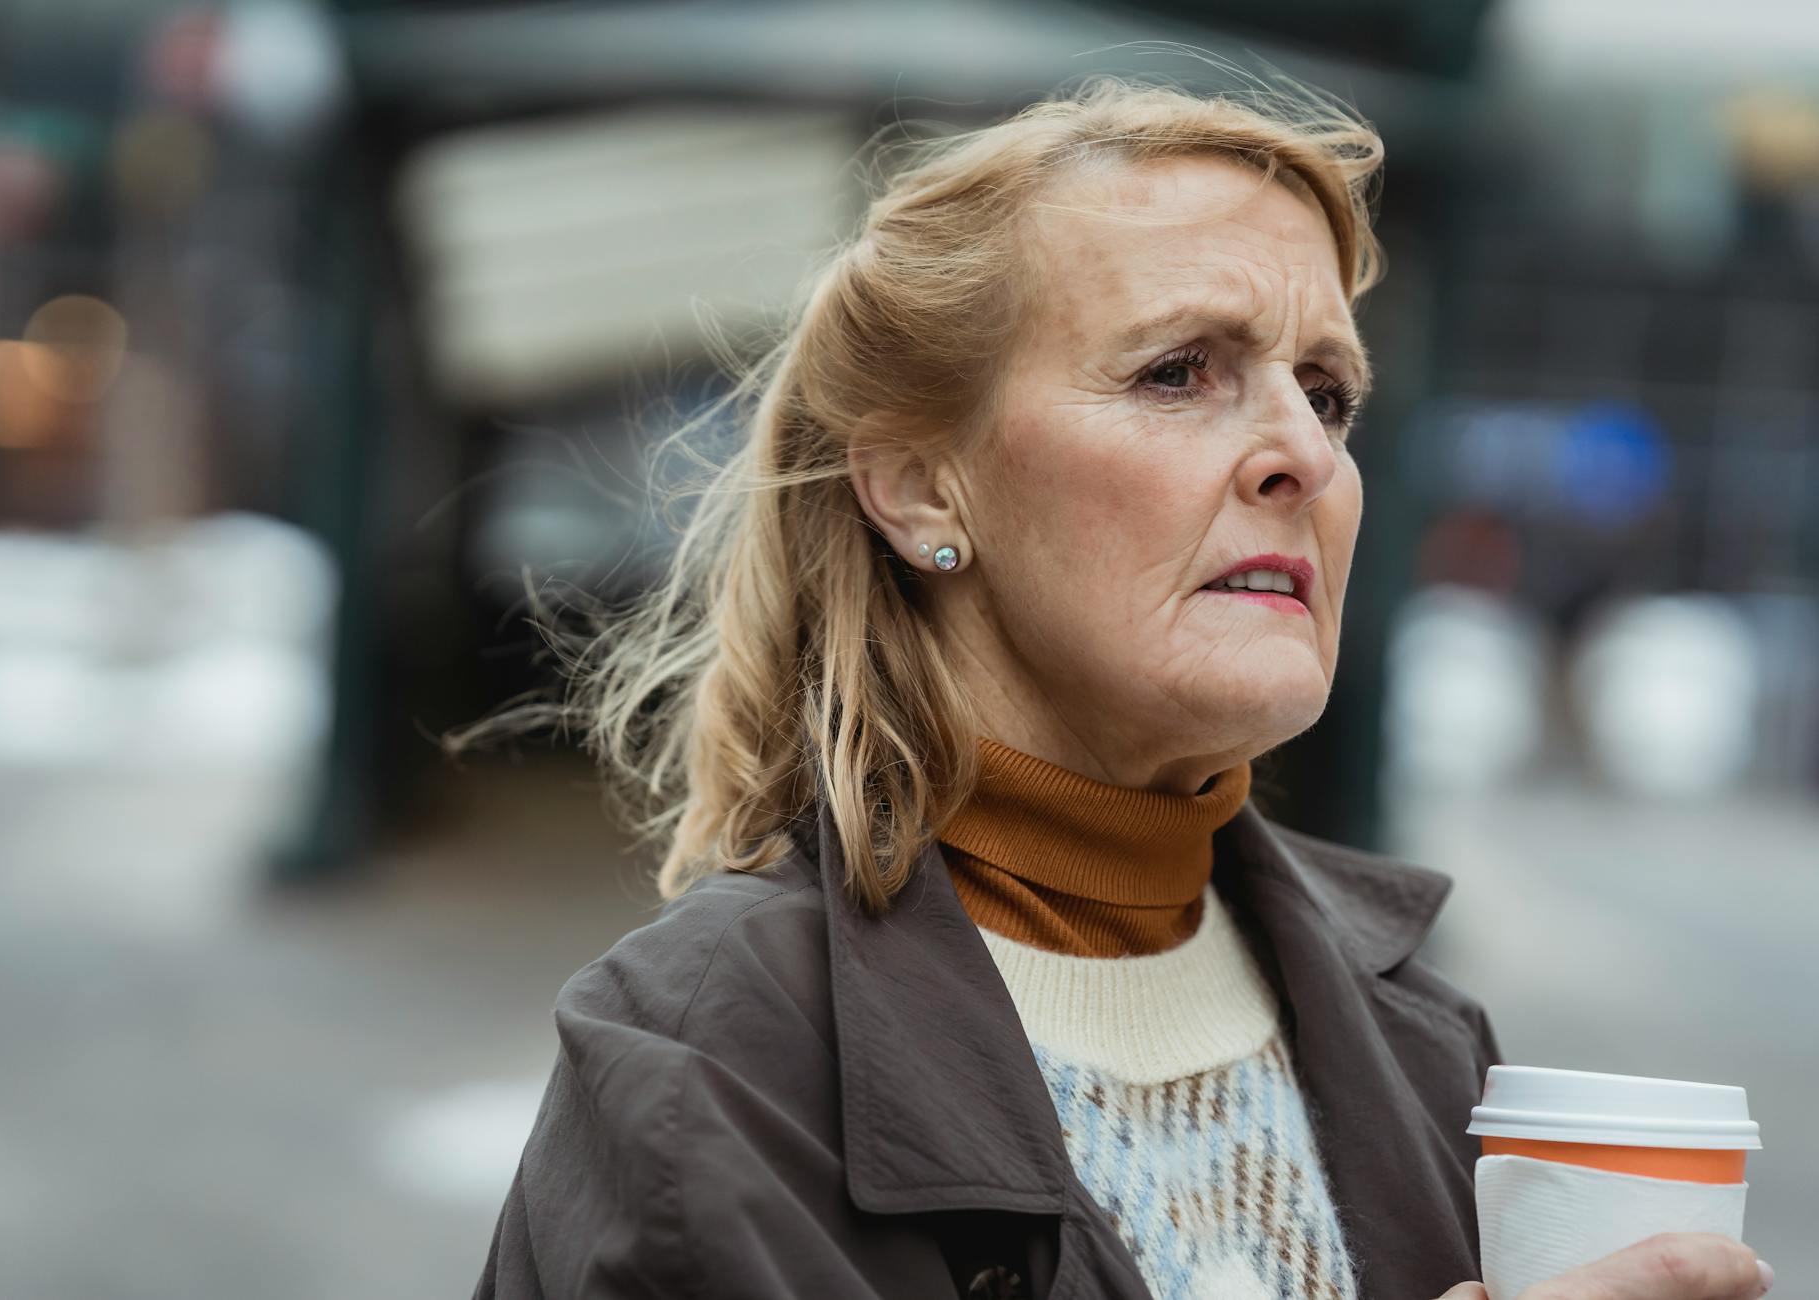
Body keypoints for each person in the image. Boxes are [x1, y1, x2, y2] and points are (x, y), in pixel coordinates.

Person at [460, 73, 1774, 1300]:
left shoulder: (1417, 1030)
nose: (1303, 457)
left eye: (1327, 394)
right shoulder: (712, 1060)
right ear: (920, 488)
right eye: (1177, 371)